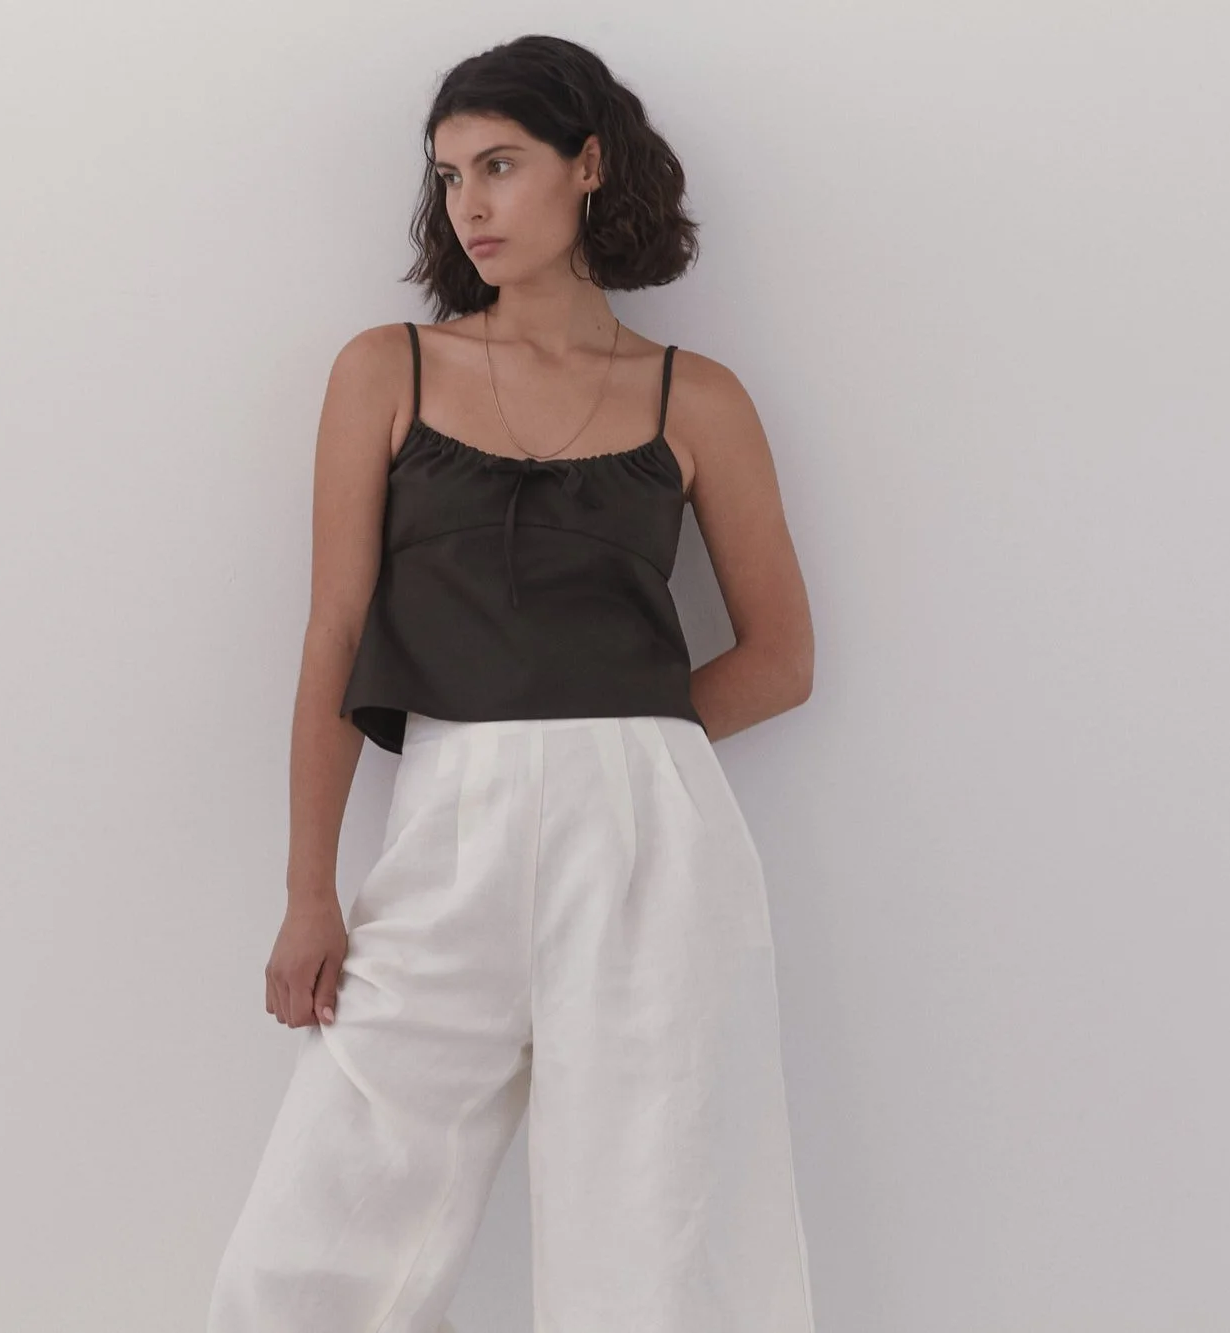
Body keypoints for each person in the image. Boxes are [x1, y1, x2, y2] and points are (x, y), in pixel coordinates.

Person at [206, 33, 818, 1333]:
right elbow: (335, 632)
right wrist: (309, 892)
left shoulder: (695, 399)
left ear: (587, 165)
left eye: (499, 165)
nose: (468, 205)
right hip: (449, 815)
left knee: (652, 1239)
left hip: (650, 837)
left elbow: (782, 658)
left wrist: (617, 743)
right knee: (314, 1244)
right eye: (447, 177)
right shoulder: (388, 369)